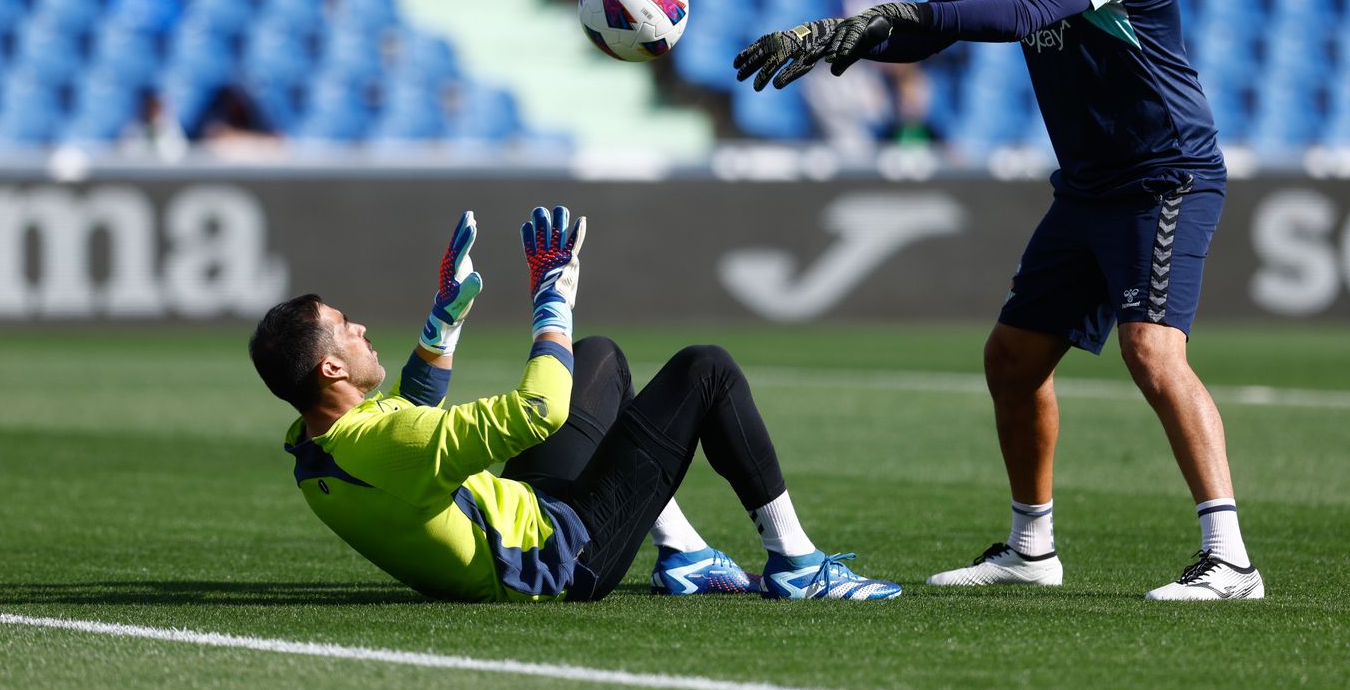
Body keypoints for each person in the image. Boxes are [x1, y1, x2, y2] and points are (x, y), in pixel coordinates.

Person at [734, 0, 1262, 602]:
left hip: (1164, 177)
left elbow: (1019, 15)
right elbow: (935, 24)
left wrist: (890, 15)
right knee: (1012, 359)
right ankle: (1030, 548)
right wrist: (842, 34)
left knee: (1153, 352)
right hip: (1088, 187)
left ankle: (1230, 560)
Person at [248, 206, 901, 603]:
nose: (361, 327)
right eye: (346, 326)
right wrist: (552, 297)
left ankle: (684, 553)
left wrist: (442, 324)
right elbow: (539, 410)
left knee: (598, 357)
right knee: (706, 370)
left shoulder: (316, 444)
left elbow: (404, 417)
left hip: (524, 520)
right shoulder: (387, 446)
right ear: (331, 367)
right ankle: (796, 564)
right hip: (563, 560)